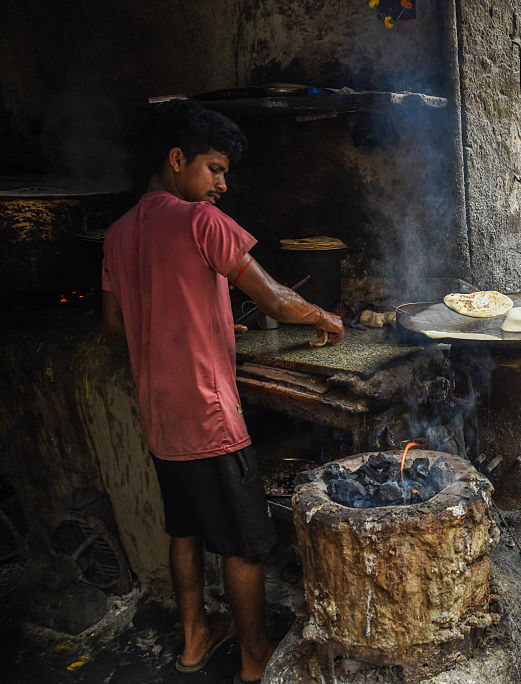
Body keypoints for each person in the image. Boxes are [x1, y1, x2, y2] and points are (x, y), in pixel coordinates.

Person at [101, 100, 346, 684]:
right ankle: (255, 657)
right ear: (177, 159)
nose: (222, 183)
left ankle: (194, 638)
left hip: (159, 418)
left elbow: (117, 322)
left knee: (183, 528)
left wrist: (198, 318)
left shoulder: (118, 232)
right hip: (209, 416)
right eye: (214, 168)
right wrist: (325, 317)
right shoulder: (198, 221)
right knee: (245, 544)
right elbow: (276, 300)